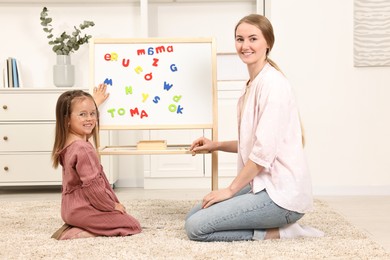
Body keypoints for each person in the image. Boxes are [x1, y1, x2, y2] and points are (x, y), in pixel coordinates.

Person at [185, 14, 324, 242]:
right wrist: (216, 145)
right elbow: (255, 143)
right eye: (240, 39)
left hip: (281, 196)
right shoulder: (253, 84)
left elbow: (262, 155)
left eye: (253, 39)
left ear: (267, 43)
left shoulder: (273, 85)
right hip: (262, 184)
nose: (245, 46)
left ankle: (281, 232)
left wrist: (229, 190)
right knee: (196, 213)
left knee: (196, 227)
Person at [51, 84, 142, 240]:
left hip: (69, 209)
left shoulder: (68, 143)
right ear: (67, 119)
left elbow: (83, 120)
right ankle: (79, 232)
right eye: (83, 114)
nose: (90, 119)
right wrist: (112, 206)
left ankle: (80, 224)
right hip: (83, 210)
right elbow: (95, 189)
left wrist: (94, 104)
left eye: (93, 113)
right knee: (132, 225)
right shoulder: (83, 149)